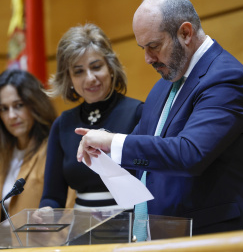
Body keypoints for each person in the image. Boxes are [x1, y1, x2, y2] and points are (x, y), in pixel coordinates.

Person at [76, 0, 243, 237]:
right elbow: (144, 149)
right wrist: (105, 151)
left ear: (185, 33)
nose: (147, 58)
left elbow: (190, 153)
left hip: (218, 236)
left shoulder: (227, 79)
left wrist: (113, 142)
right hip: (165, 236)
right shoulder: (164, 86)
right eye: (142, 48)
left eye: (154, 46)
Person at [39, 23, 142, 210]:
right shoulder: (62, 124)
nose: (90, 78)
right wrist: (45, 212)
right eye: (78, 71)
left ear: (111, 67)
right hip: (82, 232)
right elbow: (52, 197)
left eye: (96, 67)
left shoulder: (137, 113)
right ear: (69, 79)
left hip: (132, 228)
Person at [0, 69, 56, 221]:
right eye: (4, 109)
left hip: (41, 243)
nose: (11, 116)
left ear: (35, 105)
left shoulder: (53, 149)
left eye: (18, 105)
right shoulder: (4, 153)